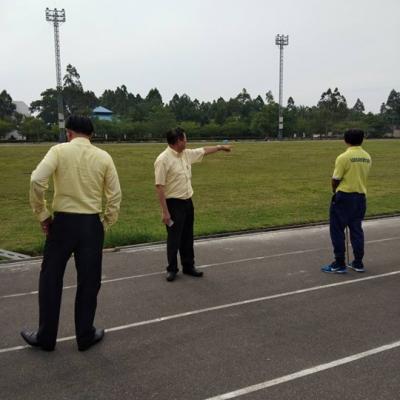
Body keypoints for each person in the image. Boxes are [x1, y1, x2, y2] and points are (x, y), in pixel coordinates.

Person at [21, 115, 122, 351]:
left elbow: (36, 180)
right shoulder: (104, 156)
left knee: (50, 278)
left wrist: (43, 214)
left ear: (69, 133)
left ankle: (46, 337)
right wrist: (105, 222)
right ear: (91, 134)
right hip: (90, 224)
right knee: (89, 281)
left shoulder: (59, 151)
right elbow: (115, 195)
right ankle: (85, 335)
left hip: (63, 224)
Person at [154, 127, 231, 282]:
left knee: (188, 236)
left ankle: (188, 266)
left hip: (188, 202)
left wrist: (220, 147)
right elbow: (159, 187)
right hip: (174, 204)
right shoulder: (163, 160)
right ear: (178, 141)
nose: (187, 141)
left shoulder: (186, 154)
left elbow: (203, 151)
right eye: (185, 139)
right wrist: (165, 211)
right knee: (174, 238)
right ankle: (172, 269)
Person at [322, 128, 371, 274]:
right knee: (356, 229)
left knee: (337, 230)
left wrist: (334, 190)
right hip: (360, 197)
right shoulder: (367, 156)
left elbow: (335, 179)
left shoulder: (343, 157)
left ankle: (339, 262)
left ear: (346, 140)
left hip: (344, 196)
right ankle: (358, 262)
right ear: (362, 139)